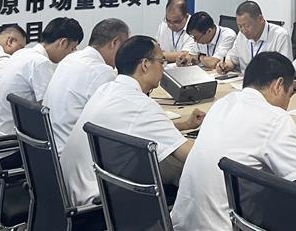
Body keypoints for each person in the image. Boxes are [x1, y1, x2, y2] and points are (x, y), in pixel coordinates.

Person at [170, 52, 296, 231]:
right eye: (289, 94)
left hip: (180, 224)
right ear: (279, 85)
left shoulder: (222, 103)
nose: (287, 103)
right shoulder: (275, 118)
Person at [60, 36, 204, 205]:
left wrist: (186, 125)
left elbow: (133, 126)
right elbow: (190, 154)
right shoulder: (140, 105)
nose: (163, 68)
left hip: (72, 192)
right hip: (99, 205)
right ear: (145, 65)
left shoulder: (107, 89)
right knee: (187, 172)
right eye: (161, 62)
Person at [0, 17, 83, 136]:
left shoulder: (22, 53)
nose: (71, 54)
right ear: (63, 42)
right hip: (9, 138)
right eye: (72, 48)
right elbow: (50, 109)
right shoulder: (40, 63)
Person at [43, 18, 128, 152]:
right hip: (73, 153)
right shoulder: (102, 72)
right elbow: (116, 122)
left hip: (51, 147)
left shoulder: (71, 58)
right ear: (115, 42)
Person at [216, 0, 291, 73]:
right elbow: (232, 58)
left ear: (260, 19)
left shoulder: (280, 36)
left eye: (246, 26)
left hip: (268, 80)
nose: (243, 30)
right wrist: (225, 65)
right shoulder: (241, 35)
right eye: (240, 26)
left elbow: (286, 70)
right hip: (244, 80)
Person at [157, 0, 194, 64]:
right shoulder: (163, 25)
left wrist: (158, 55)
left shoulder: (194, 27)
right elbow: (157, 48)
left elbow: (186, 54)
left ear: (186, 16)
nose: (171, 25)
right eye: (168, 20)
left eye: (176, 21)